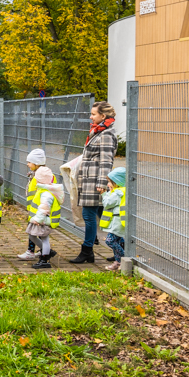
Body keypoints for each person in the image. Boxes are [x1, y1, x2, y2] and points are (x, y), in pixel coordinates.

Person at [70, 102, 118, 265]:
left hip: (95, 182)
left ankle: (87, 251)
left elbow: (106, 161)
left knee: (88, 215)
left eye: (93, 114)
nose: (90, 117)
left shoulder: (105, 134)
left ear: (103, 116)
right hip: (89, 180)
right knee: (106, 215)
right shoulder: (98, 131)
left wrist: (102, 183)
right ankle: (120, 249)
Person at [18, 148, 53, 261]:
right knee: (33, 233)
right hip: (34, 210)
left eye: (29, 162)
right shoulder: (35, 175)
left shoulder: (42, 176)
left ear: (36, 163)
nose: (27, 164)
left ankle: (37, 252)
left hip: (39, 211)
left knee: (36, 233)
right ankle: (40, 251)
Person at [26, 166, 64, 270]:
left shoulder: (46, 193)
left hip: (42, 221)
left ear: (40, 179)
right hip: (40, 220)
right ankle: (46, 252)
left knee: (44, 239)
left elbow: (44, 209)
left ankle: (44, 259)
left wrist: (37, 220)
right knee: (32, 236)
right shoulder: (43, 190)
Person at [100, 167, 127, 271]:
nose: (108, 185)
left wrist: (104, 194)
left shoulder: (117, 193)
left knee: (110, 241)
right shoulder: (122, 191)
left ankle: (122, 260)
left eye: (110, 182)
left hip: (117, 222)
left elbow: (107, 204)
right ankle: (119, 261)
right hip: (120, 221)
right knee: (118, 240)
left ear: (117, 182)